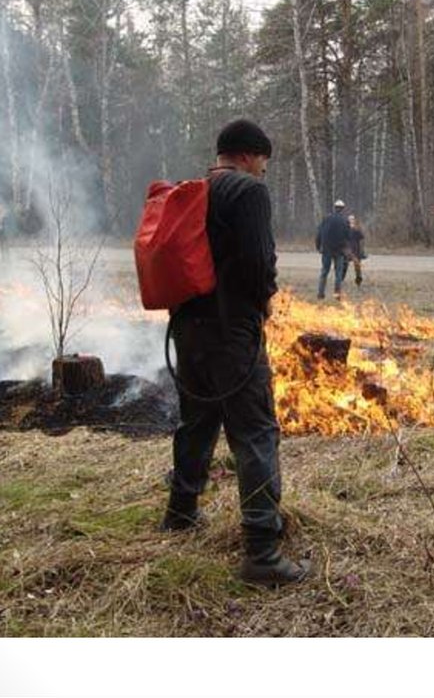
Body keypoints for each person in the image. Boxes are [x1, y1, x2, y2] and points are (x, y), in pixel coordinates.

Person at [160, 119, 310, 587]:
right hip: (232, 334)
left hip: (188, 330)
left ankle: (181, 513)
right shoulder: (247, 192)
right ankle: (262, 553)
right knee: (256, 433)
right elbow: (257, 263)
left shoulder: (197, 189)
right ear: (248, 155)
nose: (264, 172)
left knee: (197, 422)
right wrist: (265, 296)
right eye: (263, 162)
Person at [315, 199, 350, 299]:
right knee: (338, 274)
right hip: (339, 251)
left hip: (326, 250)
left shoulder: (326, 219)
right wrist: (346, 248)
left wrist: (318, 246)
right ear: (343, 209)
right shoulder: (345, 220)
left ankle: (320, 294)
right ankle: (337, 295)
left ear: (335, 208)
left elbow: (319, 233)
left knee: (324, 272)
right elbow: (348, 237)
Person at [346, 214, 366, 287]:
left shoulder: (357, 229)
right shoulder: (345, 229)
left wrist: (362, 251)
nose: (351, 221)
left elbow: (361, 238)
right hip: (347, 251)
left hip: (356, 250)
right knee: (344, 266)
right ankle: (340, 280)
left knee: (357, 267)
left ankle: (358, 281)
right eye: (350, 219)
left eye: (352, 219)